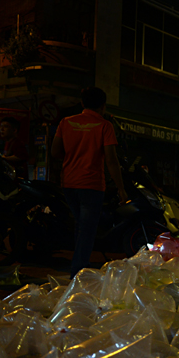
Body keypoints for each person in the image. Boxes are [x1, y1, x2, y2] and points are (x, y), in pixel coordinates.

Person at [51, 87, 127, 277]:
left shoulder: (65, 122)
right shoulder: (104, 126)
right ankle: (78, 270)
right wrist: (121, 188)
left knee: (80, 225)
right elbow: (111, 160)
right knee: (87, 228)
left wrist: (72, 159)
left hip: (69, 183)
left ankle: (80, 264)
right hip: (91, 184)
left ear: (83, 103)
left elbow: (55, 152)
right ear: (103, 106)